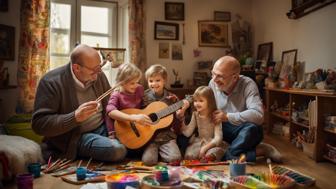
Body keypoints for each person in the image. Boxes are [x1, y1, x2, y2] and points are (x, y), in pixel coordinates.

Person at [32, 44, 126, 162]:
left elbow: (110, 104)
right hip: (76, 136)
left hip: (104, 127)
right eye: (93, 71)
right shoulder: (51, 82)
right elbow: (39, 125)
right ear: (77, 68)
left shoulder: (98, 75)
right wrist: (75, 116)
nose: (98, 74)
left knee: (137, 142)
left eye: (100, 67)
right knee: (117, 150)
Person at [209, 55, 282, 163]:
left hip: (242, 131)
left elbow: (258, 115)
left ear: (234, 77)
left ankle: (229, 154)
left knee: (253, 129)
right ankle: (258, 151)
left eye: (220, 76)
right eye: (213, 74)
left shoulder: (248, 84)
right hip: (222, 129)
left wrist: (227, 116)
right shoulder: (212, 83)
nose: (214, 80)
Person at [141, 64, 187, 165]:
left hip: (167, 137)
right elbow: (137, 112)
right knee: (148, 161)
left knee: (175, 159)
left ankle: (162, 152)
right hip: (150, 138)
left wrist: (181, 113)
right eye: (151, 81)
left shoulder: (172, 98)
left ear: (164, 80)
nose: (154, 84)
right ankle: (156, 153)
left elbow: (178, 119)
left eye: (158, 80)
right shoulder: (143, 97)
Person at [106, 63, 152, 154]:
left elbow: (145, 106)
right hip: (121, 130)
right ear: (122, 82)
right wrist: (133, 117)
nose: (136, 85)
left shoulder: (139, 89)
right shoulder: (117, 94)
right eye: (132, 83)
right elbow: (110, 111)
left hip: (137, 128)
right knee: (122, 151)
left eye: (137, 82)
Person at [181, 86, 227, 161]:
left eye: (201, 101)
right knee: (189, 156)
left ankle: (208, 157)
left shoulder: (215, 115)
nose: (197, 103)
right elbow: (187, 133)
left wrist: (204, 148)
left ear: (210, 101)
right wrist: (181, 118)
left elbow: (218, 138)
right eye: (195, 101)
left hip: (212, 143)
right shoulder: (195, 114)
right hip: (199, 142)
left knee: (216, 152)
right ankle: (204, 158)